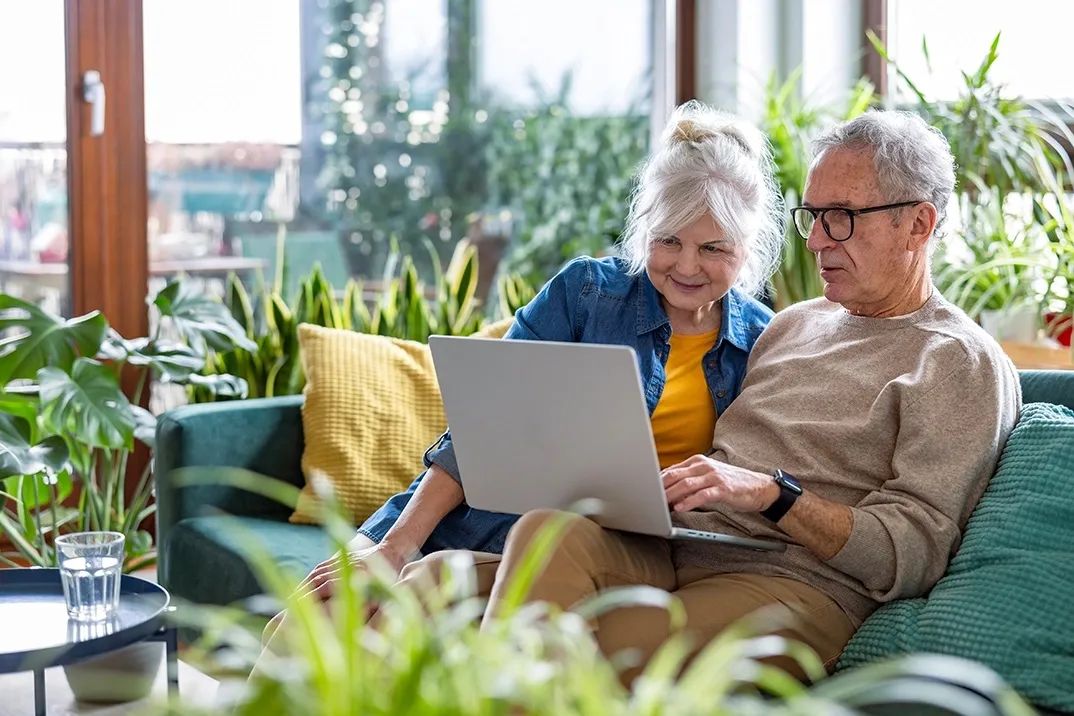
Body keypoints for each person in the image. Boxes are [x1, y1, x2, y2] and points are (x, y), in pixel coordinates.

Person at [464, 109, 1022, 683]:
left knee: (583, 647)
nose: (816, 241)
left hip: (799, 584)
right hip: (681, 549)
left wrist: (773, 495)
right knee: (528, 538)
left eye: (842, 218)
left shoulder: (957, 360)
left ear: (919, 225)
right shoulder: (791, 325)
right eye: (812, 216)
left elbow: (913, 554)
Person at [285, 100, 786, 613]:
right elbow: (482, 429)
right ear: (644, 231)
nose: (685, 265)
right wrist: (394, 545)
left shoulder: (764, 343)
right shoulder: (587, 293)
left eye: (713, 249)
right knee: (304, 620)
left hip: (607, 551)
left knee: (379, 618)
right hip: (482, 514)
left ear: (747, 248)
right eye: (668, 240)